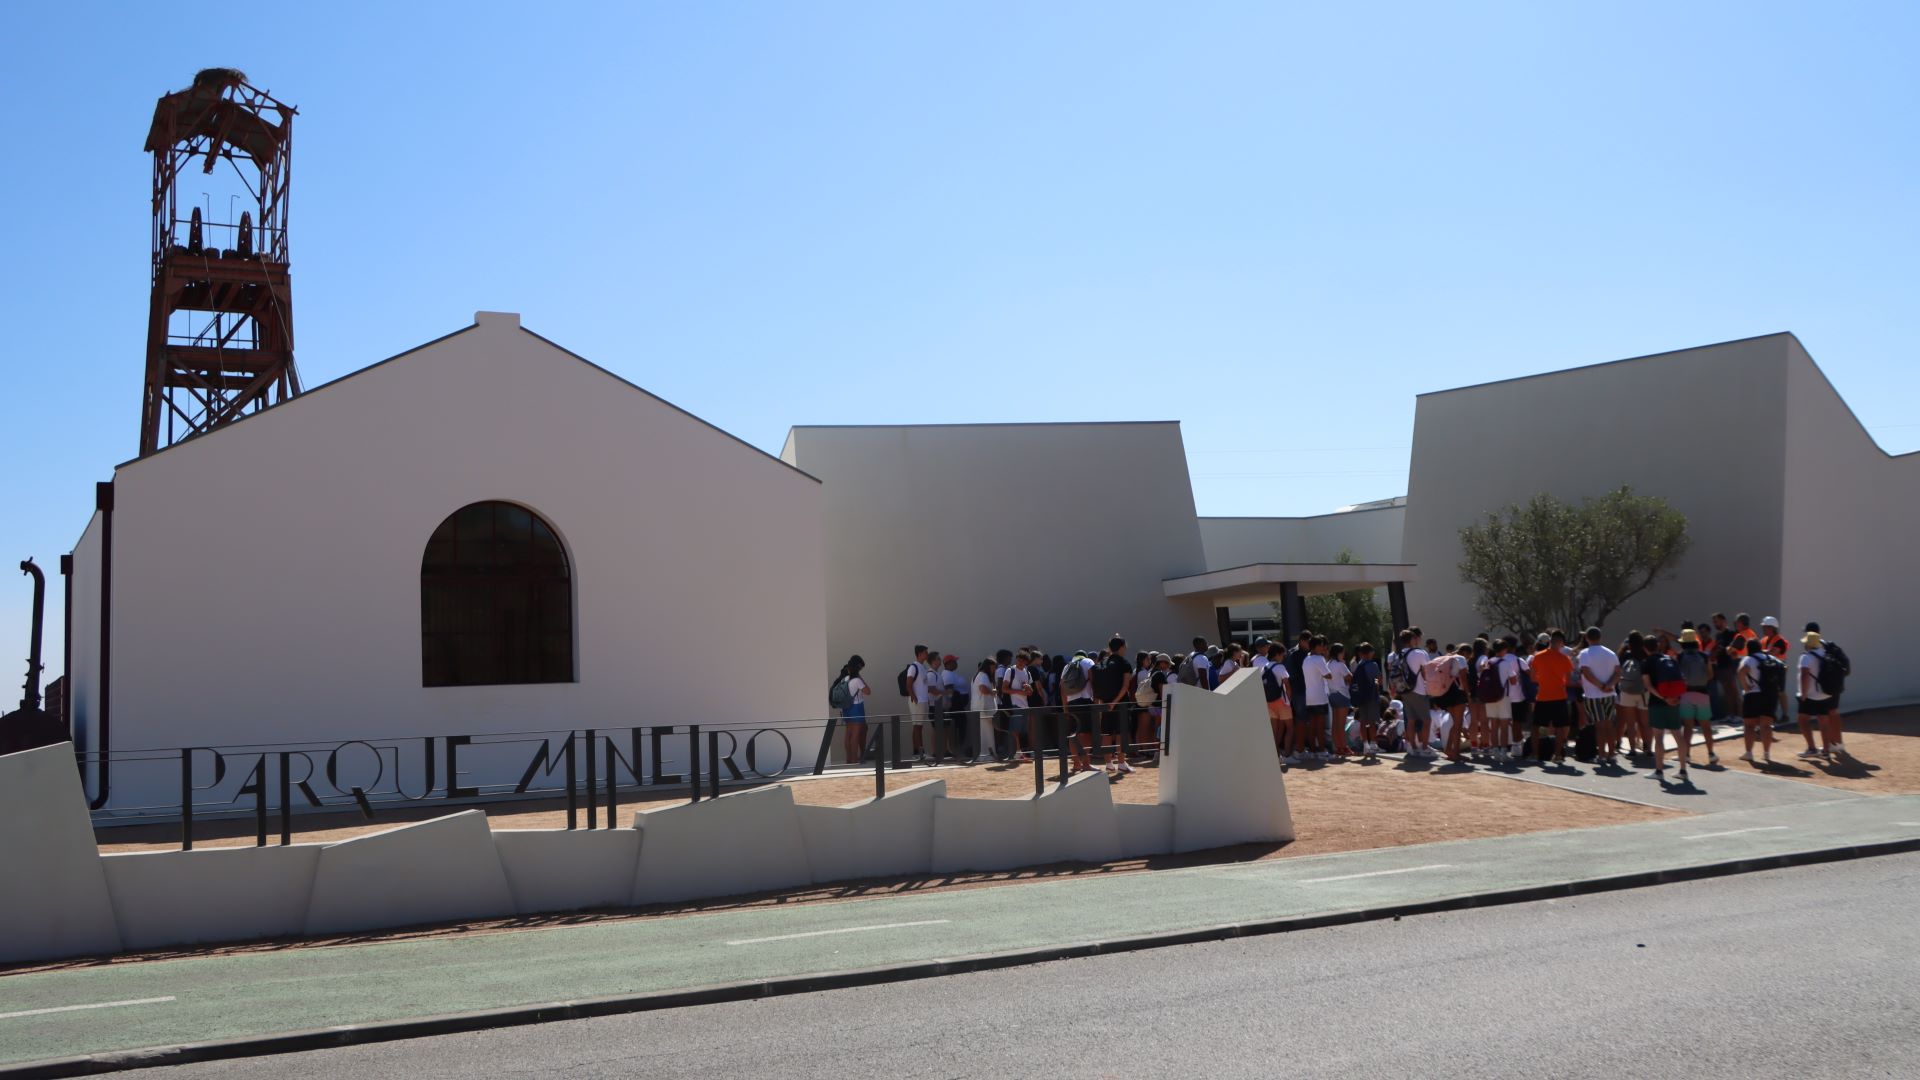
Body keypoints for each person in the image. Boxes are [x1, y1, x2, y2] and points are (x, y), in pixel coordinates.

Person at [1529, 630, 1576, 766]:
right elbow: (1567, 681)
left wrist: (1544, 680)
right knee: (1560, 727)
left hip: (1542, 696)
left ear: (1550, 641)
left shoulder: (1538, 657)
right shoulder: (1564, 659)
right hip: (1559, 696)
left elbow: (1533, 678)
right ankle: (1558, 755)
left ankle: (1535, 754)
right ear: (1561, 643)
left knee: (1536, 726)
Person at [1674, 628, 1720, 768]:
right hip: (1702, 693)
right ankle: (1711, 754)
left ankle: (1686, 754)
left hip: (1686, 694)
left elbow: (1677, 675)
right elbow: (1711, 675)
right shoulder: (1704, 656)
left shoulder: (1680, 656)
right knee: (1706, 726)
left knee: (1688, 726)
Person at [1576, 627, 1621, 766]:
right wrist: (1609, 685)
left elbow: (1586, 672)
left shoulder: (1584, 653)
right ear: (1600, 637)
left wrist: (1601, 686)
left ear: (1587, 638)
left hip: (1593, 695)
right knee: (1609, 724)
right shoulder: (1611, 653)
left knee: (1599, 726)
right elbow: (1618, 673)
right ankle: (1612, 754)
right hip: (1610, 693)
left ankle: (1601, 755)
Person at [1797, 631, 1845, 759]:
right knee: (1824, 721)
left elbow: (1804, 675)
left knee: (1802, 719)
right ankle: (1825, 751)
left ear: (1808, 644)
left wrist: (1803, 693)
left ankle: (1812, 748)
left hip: (1810, 695)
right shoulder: (1825, 654)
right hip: (1824, 694)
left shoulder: (1805, 657)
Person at [1093, 635, 1136, 775]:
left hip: (1105, 703)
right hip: (1120, 703)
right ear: (1122, 647)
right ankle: (1122, 763)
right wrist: (1115, 702)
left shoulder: (1102, 663)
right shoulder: (1124, 663)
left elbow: (1096, 686)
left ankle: (1109, 764)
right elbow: (1125, 686)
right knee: (1121, 732)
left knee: (1106, 733)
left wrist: (1106, 703)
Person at [1645, 638, 1687, 780]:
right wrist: (1675, 698)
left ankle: (1659, 771)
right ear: (1657, 646)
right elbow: (1681, 680)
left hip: (1657, 703)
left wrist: (1663, 698)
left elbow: (1648, 686)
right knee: (1678, 736)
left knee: (1658, 737)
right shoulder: (1670, 659)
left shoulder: (1647, 662)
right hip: (1674, 702)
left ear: (1645, 648)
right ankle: (1683, 770)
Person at [1391, 629, 1432, 762]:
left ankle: (1412, 747)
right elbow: (1427, 672)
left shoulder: (1399, 654)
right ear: (1413, 639)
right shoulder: (1419, 653)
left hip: (1405, 690)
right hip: (1419, 690)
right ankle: (1425, 748)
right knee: (1427, 720)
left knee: (1411, 720)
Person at [1737, 639, 1779, 764]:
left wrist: (1745, 687)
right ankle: (1766, 754)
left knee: (1749, 725)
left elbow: (1741, 672)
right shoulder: (1770, 658)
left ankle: (1749, 753)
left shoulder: (1748, 659)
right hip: (1770, 695)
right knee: (1766, 725)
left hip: (1753, 695)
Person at [1060, 649, 1097, 773]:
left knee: (1073, 733)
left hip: (1071, 703)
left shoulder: (1067, 666)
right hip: (1085, 701)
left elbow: (1062, 688)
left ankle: (1076, 763)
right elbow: (1093, 681)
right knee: (1086, 733)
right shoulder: (1088, 661)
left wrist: (1065, 708)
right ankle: (1086, 764)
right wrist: (1096, 702)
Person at [1615, 632, 1650, 759]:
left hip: (1626, 691)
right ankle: (1648, 747)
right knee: (1644, 722)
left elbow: (1618, 671)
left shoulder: (1624, 655)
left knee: (1630, 722)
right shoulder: (1645, 654)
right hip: (1643, 691)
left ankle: (1632, 749)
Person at [1300, 636, 1333, 762]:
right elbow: (1329, 675)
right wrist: (1325, 657)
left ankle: (1313, 750)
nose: (1324, 647)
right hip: (1319, 696)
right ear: (1316, 646)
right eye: (1321, 645)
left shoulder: (1306, 659)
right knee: (1320, 724)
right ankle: (1322, 751)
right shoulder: (1319, 659)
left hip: (1309, 696)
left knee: (1312, 724)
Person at [1349, 643, 1384, 761]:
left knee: (1363, 721)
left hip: (1361, 697)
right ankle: (1373, 745)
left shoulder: (1358, 664)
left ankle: (1365, 746)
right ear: (1369, 653)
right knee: (1373, 721)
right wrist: (1376, 684)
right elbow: (1379, 680)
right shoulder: (1373, 664)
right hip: (1372, 696)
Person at [1000, 650, 1036, 762]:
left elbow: (1031, 691)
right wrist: (1019, 692)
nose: (1020, 662)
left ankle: (1021, 753)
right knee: (1015, 730)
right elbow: (1004, 689)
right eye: (1018, 660)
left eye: (1023, 661)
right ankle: (1016, 753)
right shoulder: (1010, 671)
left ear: (1026, 662)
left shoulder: (1027, 672)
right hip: (1014, 704)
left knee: (1023, 731)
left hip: (1025, 706)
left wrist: (1029, 689)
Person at [836, 656, 871, 765]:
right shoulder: (857, 680)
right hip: (856, 708)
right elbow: (868, 691)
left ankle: (849, 759)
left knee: (848, 735)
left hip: (847, 709)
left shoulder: (844, 679)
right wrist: (860, 677)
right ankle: (854, 760)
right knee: (855, 735)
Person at [903, 645, 934, 763]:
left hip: (923, 700)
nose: (927, 654)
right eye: (926, 652)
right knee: (917, 726)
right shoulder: (913, 667)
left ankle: (917, 752)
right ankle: (919, 752)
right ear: (920, 654)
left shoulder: (922, 667)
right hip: (918, 701)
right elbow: (908, 683)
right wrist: (914, 697)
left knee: (918, 726)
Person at [1285, 631, 1314, 759]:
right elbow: (1292, 675)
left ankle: (1302, 748)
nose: (1310, 645)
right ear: (1302, 641)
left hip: (1303, 691)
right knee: (1301, 720)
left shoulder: (1299, 653)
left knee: (1304, 720)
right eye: (1309, 642)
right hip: (1299, 691)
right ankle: (1298, 749)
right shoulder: (1295, 654)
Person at [1326, 643, 1353, 758]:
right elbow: (1350, 677)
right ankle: (1344, 747)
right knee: (1341, 724)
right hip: (1342, 694)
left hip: (1331, 694)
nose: (1344, 654)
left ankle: (1337, 747)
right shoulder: (1340, 665)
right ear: (1339, 653)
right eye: (1342, 652)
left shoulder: (1327, 664)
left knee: (1335, 723)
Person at [970, 658, 998, 762]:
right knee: (987, 732)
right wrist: (992, 692)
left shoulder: (976, 675)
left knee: (982, 732)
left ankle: (984, 754)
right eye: (993, 667)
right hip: (984, 708)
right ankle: (987, 755)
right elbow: (982, 688)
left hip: (978, 708)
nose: (994, 670)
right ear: (988, 666)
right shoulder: (984, 675)